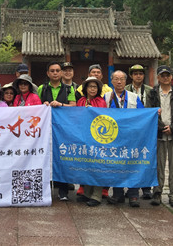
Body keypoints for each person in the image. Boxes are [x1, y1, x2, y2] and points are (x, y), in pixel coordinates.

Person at [147, 66, 173, 208]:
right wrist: (162, 127)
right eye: (162, 75)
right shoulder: (152, 93)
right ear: (158, 77)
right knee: (158, 166)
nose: (165, 77)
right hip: (158, 135)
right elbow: (149, 112)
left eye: (167, 75)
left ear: (171, 77)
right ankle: (157, 193)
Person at [104, 70, 143, 207]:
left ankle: (133, 195)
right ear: (112, 81)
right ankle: (117, 194)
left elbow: (142, 115)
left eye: (121, 79)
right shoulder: (106, 96)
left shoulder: (134, 97)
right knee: (115, 165)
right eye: (116, 79)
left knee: (132, 164)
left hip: (131, 136)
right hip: (113, 137)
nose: (119, 82)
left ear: (126, 81)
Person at [38, 61, 76, 201]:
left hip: (63, 128)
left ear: (61, 73)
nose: (55, 73)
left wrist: (60, 105)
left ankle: (63, 190)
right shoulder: (42, 88)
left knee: (63, 157)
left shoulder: (68, 89)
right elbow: (37, 106)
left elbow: (73, 106)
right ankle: (46, 187)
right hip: (45, 129)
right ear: (48, 73)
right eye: (52, 70)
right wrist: (43, 105)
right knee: (46, 156)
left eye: (57, 71)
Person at [76, 76, 106, 207]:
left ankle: (97, 195)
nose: (92, 89)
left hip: (97, 137)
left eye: (95, 87)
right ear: (85, 88)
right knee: (86, 165)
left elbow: (103, 116)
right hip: (83, 136)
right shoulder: (81, 101)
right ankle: (87, 193)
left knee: (97, 166)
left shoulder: (101, 101)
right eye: (90, 86)